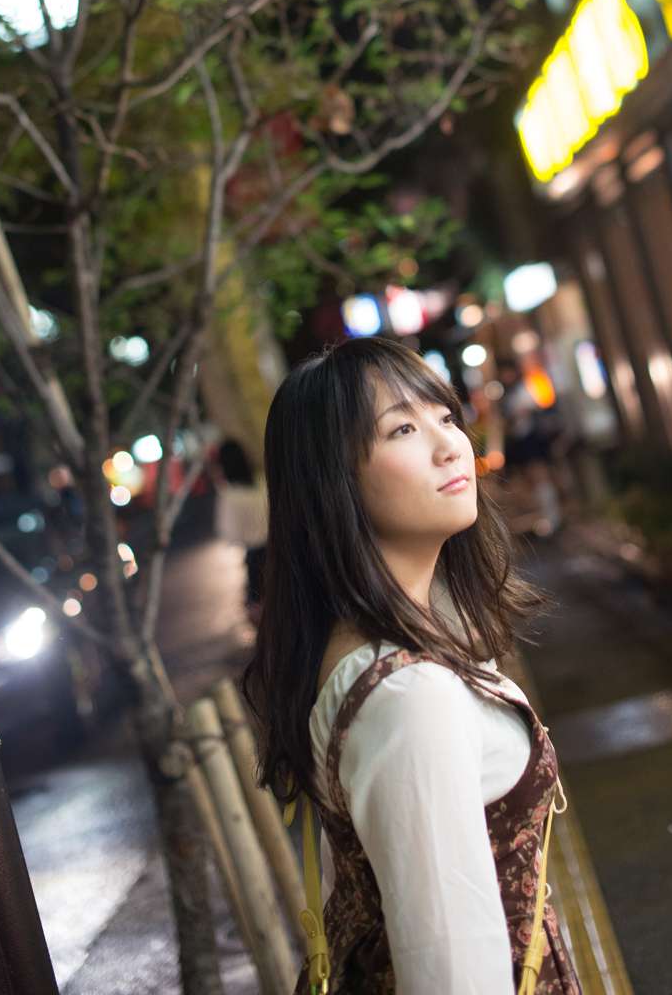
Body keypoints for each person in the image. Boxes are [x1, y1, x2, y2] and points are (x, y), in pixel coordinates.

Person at [242, 336, 581, 994]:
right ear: (334, 482)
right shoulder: (409, 698)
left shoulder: (378, 648)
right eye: (402, 428)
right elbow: (453, 973)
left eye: (446, 416)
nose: (450, 444)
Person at [212, 435, 268, 625]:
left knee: (257, 607)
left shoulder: (230, 496)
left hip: (255, 556)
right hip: (280, 548)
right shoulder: (264, 483)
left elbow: (229, 533)